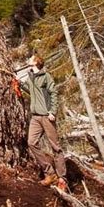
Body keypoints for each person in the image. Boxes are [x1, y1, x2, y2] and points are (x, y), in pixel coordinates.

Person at [17, 54, 68, 190]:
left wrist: (53, 111)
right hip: (35, 117)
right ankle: (50, 173)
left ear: (35, 62)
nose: (28, 60)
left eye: (31, 59)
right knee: (31, 143)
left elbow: (54, 93)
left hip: (46, 116)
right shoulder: (31, 76)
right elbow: (32, 91)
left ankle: (62, 178)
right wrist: (20, 84)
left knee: (55, 147)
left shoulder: (46, 77)